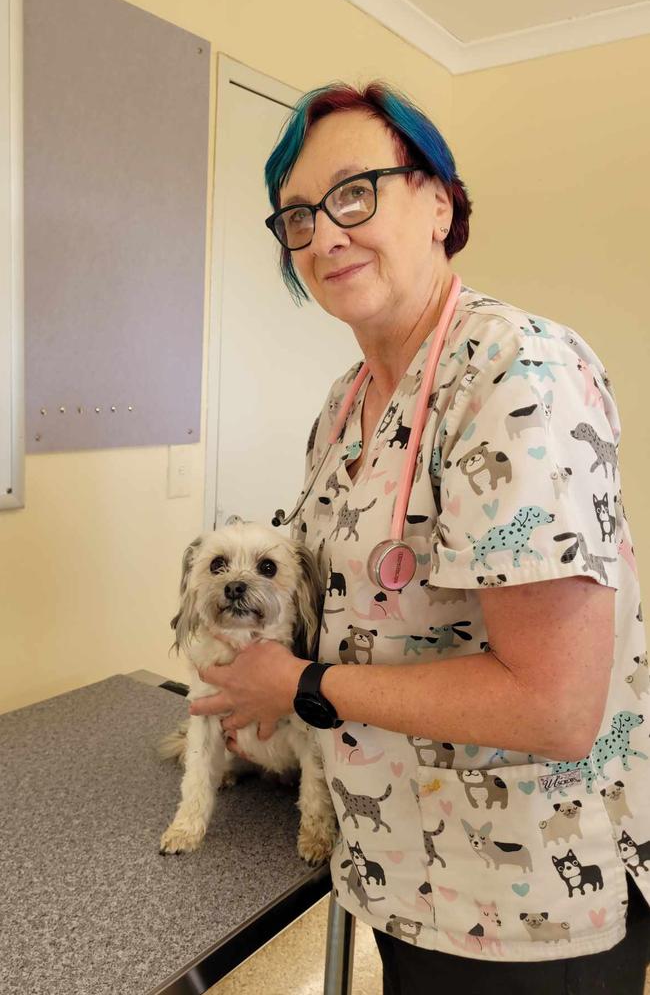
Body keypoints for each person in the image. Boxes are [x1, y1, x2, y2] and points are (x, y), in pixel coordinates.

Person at [189, 81, 650, 992]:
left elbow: (554, 708)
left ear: (439, 202)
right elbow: (352, 601)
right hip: (403, 864)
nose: (323, 235)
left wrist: (300, 684)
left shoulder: (519, 374)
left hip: (529, 898)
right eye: (295, 217)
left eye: (354, 193)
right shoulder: (346, 402)